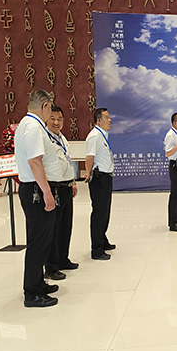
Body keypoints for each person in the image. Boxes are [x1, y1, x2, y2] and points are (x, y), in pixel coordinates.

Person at [14, 89, 59, 307]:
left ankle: (38, 283)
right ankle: (32, 293)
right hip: (36, 190)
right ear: (45, 106)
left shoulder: (28, 124)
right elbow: (34, 161)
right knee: (38, 242)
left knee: (41, 239)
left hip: (34, 188)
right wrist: (47, 192)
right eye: (50, 108)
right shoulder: (33, 127)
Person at [44, 106, 79, 280]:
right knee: (54, 228)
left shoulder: (62, 138)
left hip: (66, 186)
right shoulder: (45, 138)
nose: (56, 122)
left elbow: (68, 161)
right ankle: (51, 267)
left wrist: (72, 182)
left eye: (59, 119)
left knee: (65, 226)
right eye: (53, 118)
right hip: (53, 187)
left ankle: (63, 259)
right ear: (46, 119)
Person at [84, 108, 115, 260]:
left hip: (106, 177)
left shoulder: (103, 135)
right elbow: (89, 157)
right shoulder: (94, 136)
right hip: (99, 178)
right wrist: (88, 173)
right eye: (107, 117)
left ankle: (103, 240)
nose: (110, 120)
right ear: (98, 120)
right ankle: (96, 249)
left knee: (105, 211)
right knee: (99, 213)